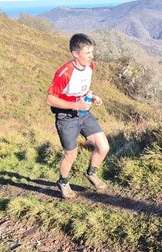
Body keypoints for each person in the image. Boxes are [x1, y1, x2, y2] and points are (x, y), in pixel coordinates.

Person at [46, 33, 110, 198]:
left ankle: (91, 173)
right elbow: (50, 99)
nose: (91, 56)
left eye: (92, 52)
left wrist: (92, 96)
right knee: (71, 155)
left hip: (84, 114)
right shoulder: (65, 72)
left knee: (103, 147)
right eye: (88, 53)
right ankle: (63, 182)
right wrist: (76, 105)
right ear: (75, 54)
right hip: (66, 118)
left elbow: (83, 88)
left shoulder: (90, 67)